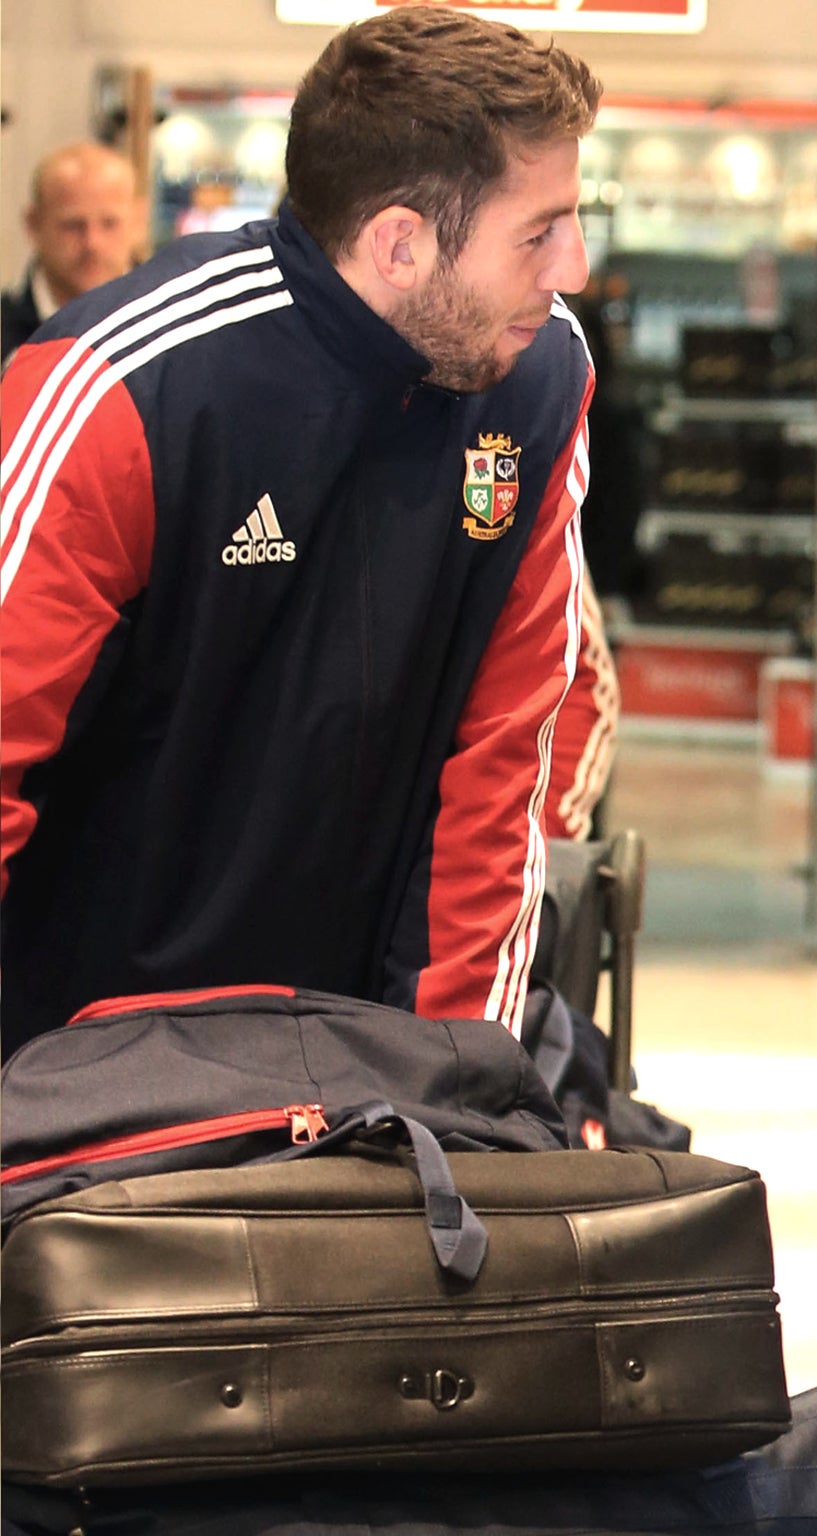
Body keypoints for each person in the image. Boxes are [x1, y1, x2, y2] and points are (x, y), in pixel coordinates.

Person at [0, 7, 608, 1055]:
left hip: (360, 1059)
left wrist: (452, 1074)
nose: (577, 267)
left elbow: (500, 759)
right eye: (539, 231)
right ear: (401, 244)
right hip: (86, 1066)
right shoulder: (117, 392)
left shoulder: (540, 375)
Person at [1, 141, 143, 364]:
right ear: (33, 224)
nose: (92, 243)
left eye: (109, 223)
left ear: (139, 221)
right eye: (73, 225)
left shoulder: (182, 335)